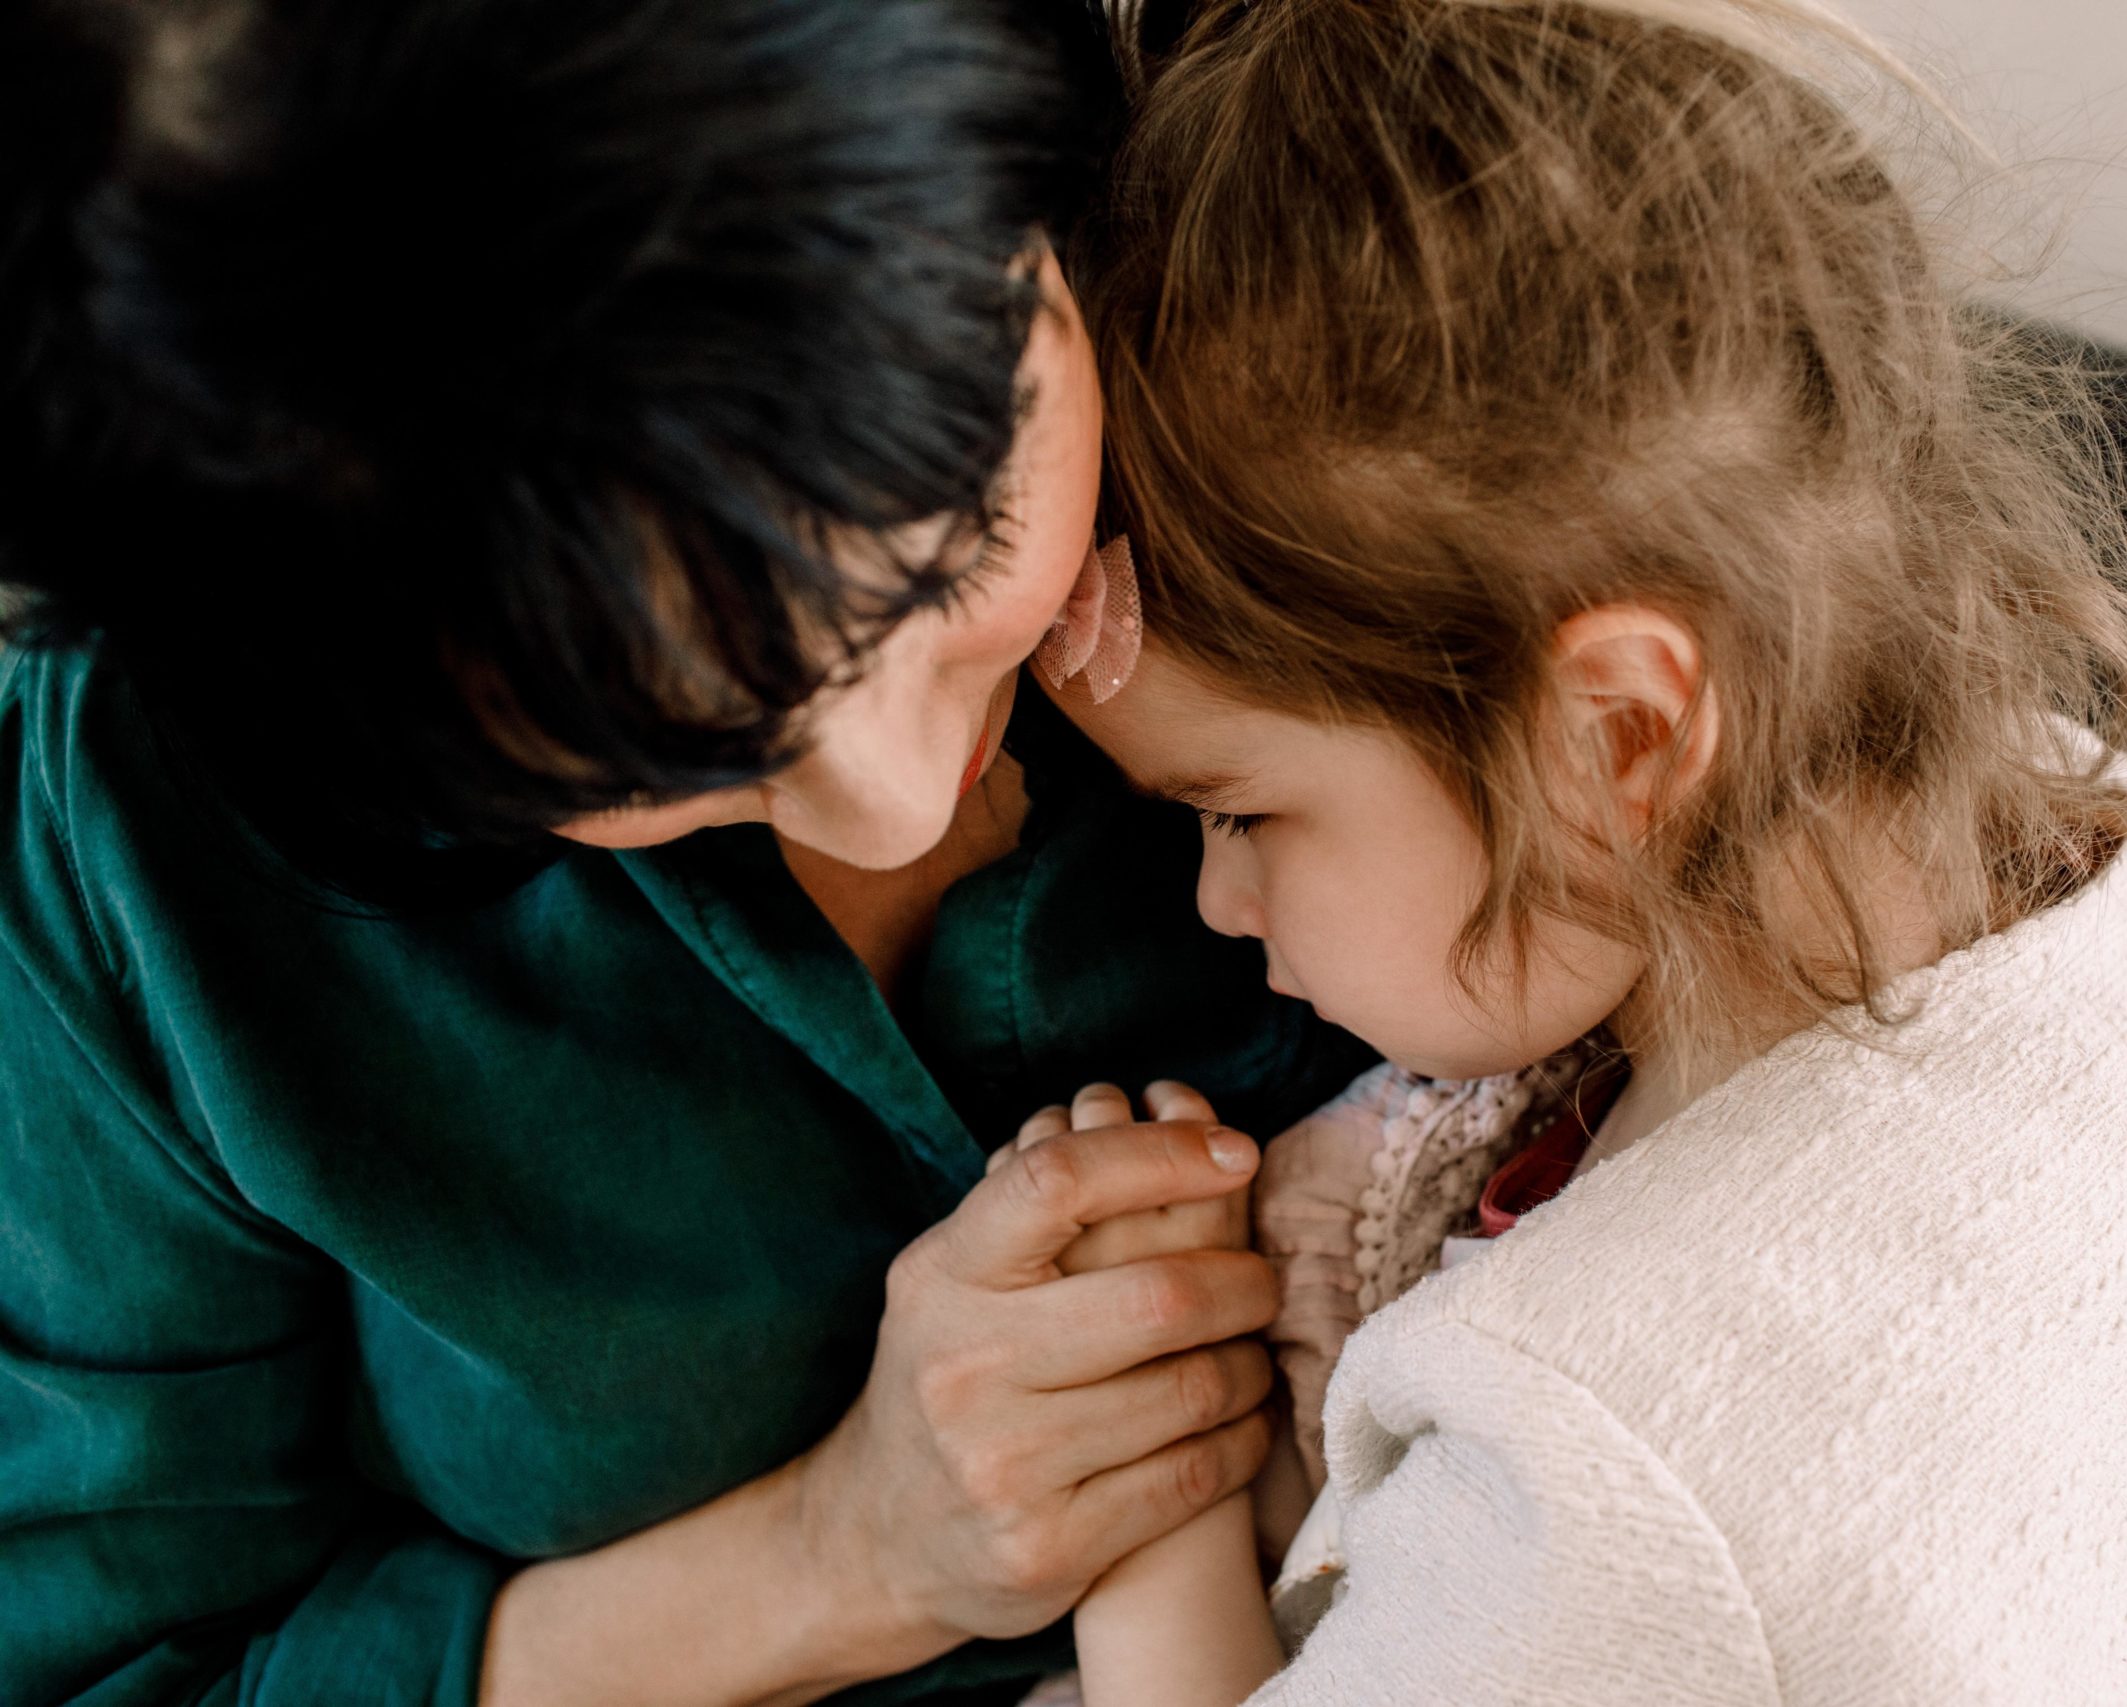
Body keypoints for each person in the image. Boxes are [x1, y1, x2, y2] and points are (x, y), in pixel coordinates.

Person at [0, 2, 1369, 1703]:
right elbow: (109, 1672)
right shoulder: (124, 842)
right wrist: (848, 1555)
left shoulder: (1351, 237)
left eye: (956, 553)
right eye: (660, 755)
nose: (903, 800)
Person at [1005, 0, 2127, 1699]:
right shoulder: (2035, 836)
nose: (1220, 900)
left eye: (1240, 809)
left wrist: (1142, 1505)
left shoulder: (1637, 1474)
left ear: (1616, 736)